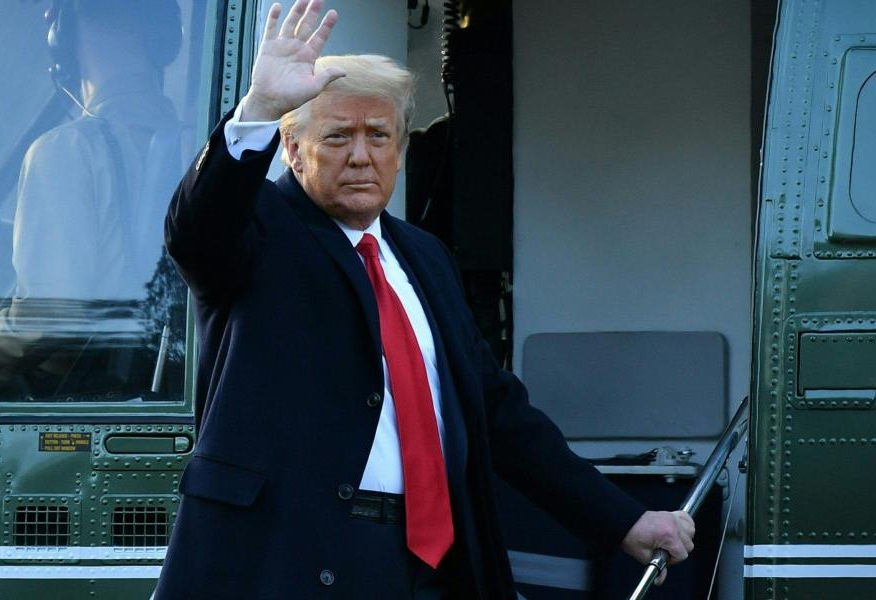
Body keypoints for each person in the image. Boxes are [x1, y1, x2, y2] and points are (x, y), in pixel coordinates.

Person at [154, 1, 695, 597]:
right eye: (337, 136)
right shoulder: (259, 229)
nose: (361, 155)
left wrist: (624, 520)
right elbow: (197, 232)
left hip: (429, 565)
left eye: (378, 135)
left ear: (401, 149)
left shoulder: (424, 257)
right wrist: (257, 109)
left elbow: (499, 414)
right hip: (292, 562)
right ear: (291, 147)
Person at [0, 0, 183, 399]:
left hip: (63, 391)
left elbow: (55, 312)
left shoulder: (67, 150)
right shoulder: (189, 146)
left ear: (65, 33)